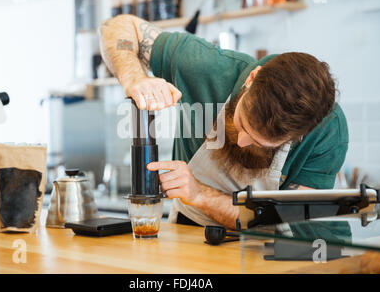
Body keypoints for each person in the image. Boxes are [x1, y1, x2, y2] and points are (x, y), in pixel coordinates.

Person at [99, 14, 349, 230]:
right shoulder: (205, 67)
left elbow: (287, 222)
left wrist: (199, 194)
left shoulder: (327, 132)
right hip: (189, 234)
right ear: (251, 79)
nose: (241, 141)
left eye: (261, 143)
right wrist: (135, 78)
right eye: (243, 124)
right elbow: (118, 28)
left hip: (270, 251)